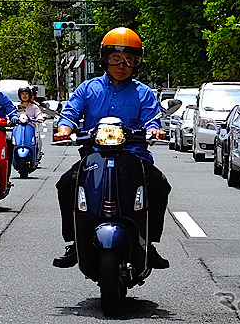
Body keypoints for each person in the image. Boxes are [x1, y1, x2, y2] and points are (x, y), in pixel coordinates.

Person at [52, 27, 171, 270]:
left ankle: (149, 243)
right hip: (94, 157)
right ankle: (74, 242)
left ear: (136, 63)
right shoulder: (88, 89)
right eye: (116, 58)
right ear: (105, 59)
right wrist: (64, 128)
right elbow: (70, 114)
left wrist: (155, 129)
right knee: (66, 184)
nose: (122, 65)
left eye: (129, 59)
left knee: (159, 184)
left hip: (133, 157)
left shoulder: (143, 93)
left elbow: (152, 119)